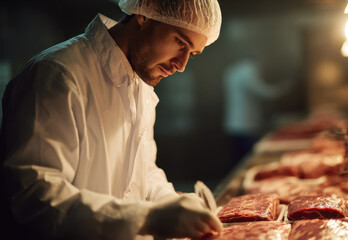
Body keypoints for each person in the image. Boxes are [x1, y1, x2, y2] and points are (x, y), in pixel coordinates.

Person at [0, 0, 222, 239]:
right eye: (180, 42)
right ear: (145, 12)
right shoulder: (56, 75)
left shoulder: (141, 86)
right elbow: (35, 198)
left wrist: (169, 201)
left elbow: (144, 172)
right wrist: (147, 218)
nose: (181, 65)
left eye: (193, 53)